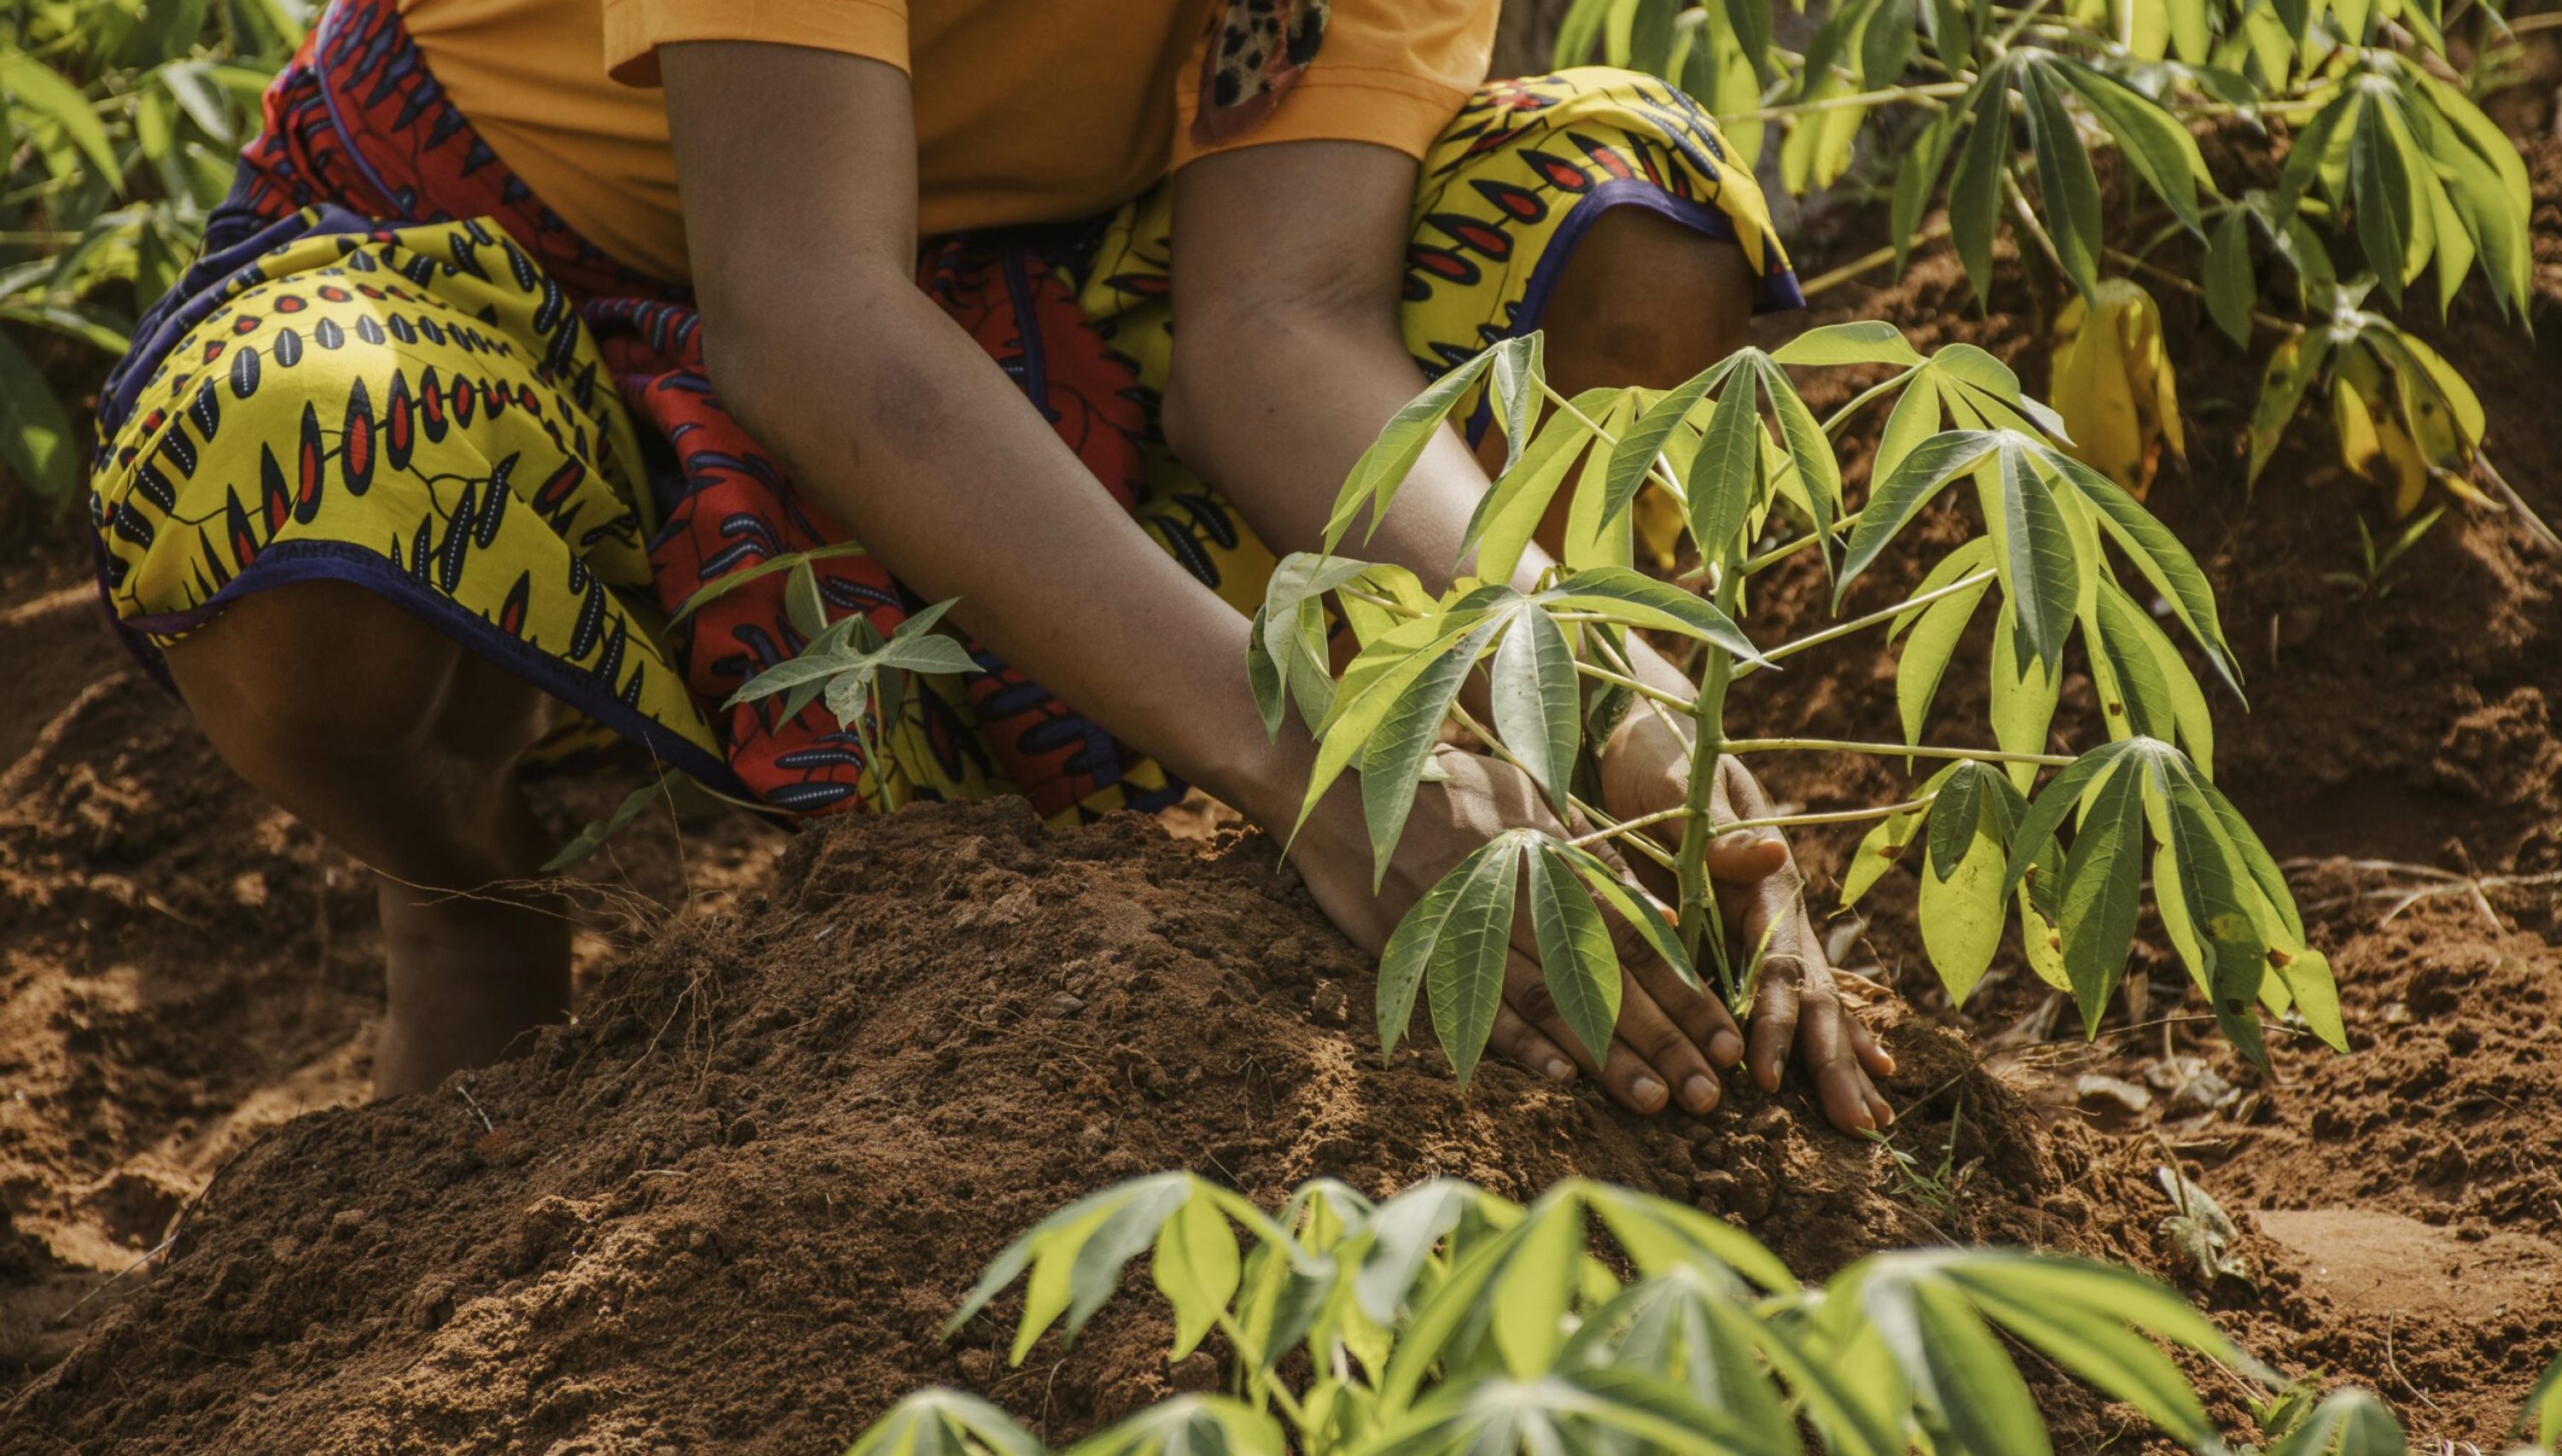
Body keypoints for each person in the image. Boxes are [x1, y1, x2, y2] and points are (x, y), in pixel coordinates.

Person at [86, 0, 1894, 1130]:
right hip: (517, 264)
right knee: (290, 459)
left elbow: (1280, 321)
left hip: (1037, 286)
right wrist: (1321, 773)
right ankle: (465, 896)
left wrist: (1575, 670)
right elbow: (799, 311)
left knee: (1616, 207)